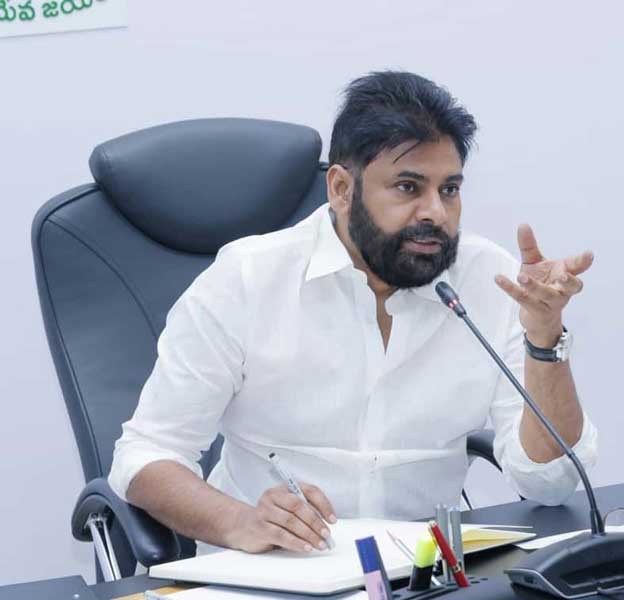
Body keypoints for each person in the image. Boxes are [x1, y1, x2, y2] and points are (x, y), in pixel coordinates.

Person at [108, 71, 598, 556]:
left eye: (449, 189)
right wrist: (241, 522)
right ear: (341, 188)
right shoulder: (248, 278)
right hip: (275, 570)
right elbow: (146, 454)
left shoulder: (490, 278)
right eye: (408, 187)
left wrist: (545, 338)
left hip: (425, 570)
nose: (436, 212)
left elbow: (550, 483)